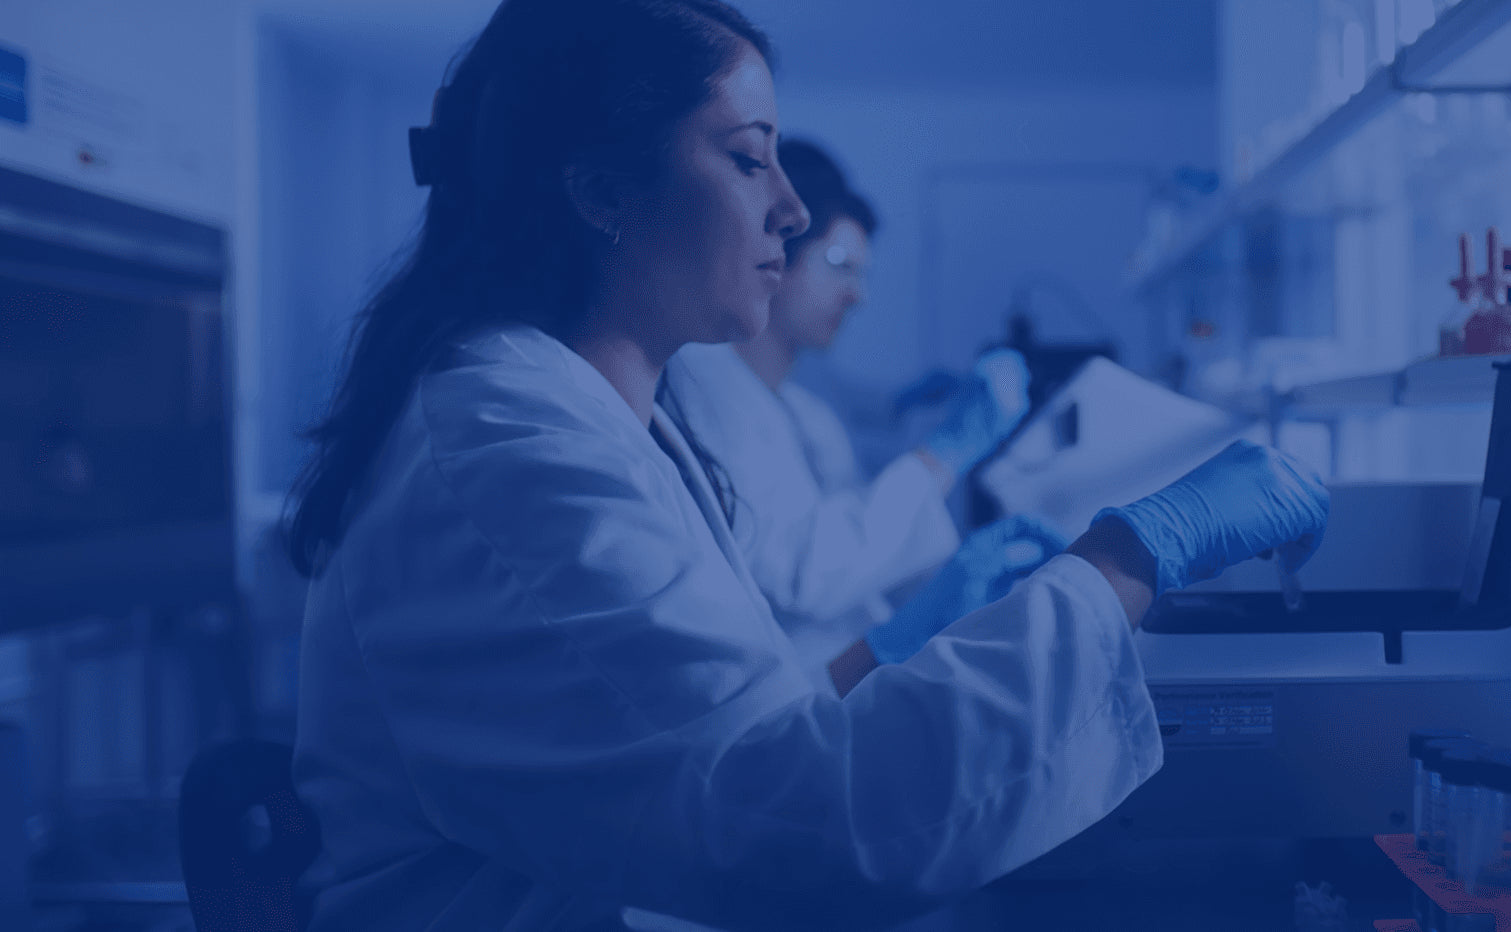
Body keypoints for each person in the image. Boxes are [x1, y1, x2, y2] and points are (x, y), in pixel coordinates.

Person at [283, 1, 1329, 930]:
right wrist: (1137, 548)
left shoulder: (597, 417)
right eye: (747, 159)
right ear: (603, 190)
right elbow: (813, 824)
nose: (789, 206)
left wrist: (935, 626)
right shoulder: (510, 454)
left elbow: (748, 716)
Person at [663, 139, 1052, 678]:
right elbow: (804, 573)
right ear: (775, 255)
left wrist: (972, 580)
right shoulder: (702, 383)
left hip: (850, 672)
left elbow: (867, 563)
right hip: (790, 694)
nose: (858, 295)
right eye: (840, 265)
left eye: (863, 274)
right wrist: (946, 451)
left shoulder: (808, 415)